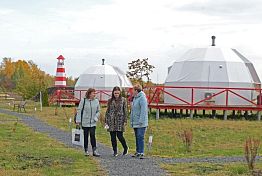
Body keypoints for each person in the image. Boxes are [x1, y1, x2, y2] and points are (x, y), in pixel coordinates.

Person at [76, 88, 100, 157]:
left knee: (93, 135)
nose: (95, 94)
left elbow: (98, 111)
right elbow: (79, 110)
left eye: (95, 93)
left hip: (93, 122)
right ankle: (86, 150)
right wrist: (78, 121)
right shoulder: (83, 101)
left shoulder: (96, 101)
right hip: (85, 122)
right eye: (93, 93)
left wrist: (96, 117)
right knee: (86, 136)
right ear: (89, 94)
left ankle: (94, 150)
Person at [105, 86, 128, 156]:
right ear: (113, 93)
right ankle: (115, 151)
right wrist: (106, 121)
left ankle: (125, 147)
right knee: (112, 137)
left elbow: (125, 111)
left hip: (120, 120)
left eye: (118, 93)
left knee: (120, 136)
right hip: (111, 120)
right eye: (115, 93)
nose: (116, 94)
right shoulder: (110, 100)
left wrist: (125, 120)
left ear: (120, 93)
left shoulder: (123, 100)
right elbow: (107, 111)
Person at [130, 84, 148, 159]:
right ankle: (137, 151)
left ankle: (141, 152)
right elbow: (133, 110)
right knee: (137, 137)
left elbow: (143, 110)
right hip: (135, 121)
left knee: (140, 136)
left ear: (136, 91)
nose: (132, 92)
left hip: (141, 122)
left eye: (133, 90)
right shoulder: (135, 98)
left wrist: (141, 121)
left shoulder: (142, 98)